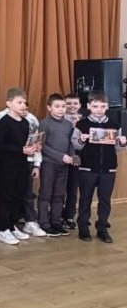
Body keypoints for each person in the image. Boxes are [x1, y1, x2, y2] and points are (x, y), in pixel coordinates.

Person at [72, 91, 127, 243]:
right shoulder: (82, 124)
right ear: (89, 106)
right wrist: (81, 140)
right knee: (85, 199)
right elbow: (75, 145)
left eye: (103, 106)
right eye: (95, 106)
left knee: (105, 200)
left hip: (108, 169)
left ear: (107, 106)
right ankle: (83, 228)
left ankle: (102, 228)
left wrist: (122, 142)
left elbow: (117, 148)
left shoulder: (114, 124)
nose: (99, 109)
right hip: (87, 168)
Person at [0, 88, 34, 245]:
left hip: (22, 165)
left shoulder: (25, 122)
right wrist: (20, 149)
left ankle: (11, 225)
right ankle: (1, 229)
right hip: (7, 166)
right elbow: (0, 145)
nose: (23, 105)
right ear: (9, 103)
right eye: (19, 102)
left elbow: (24, 143)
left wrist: (31, 147)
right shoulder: (4, 122)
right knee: (6, 196)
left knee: (18, 195)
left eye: (24, 102)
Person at [37, 94, 74, 237]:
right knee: (46, 193)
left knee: (59, 194)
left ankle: (56, 221)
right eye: (57, 106)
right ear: (49, 107)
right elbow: (42, 145)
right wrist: (60, 156)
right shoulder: (44, 123)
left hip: (64, 165)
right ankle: (44, 222)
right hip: (49, 164)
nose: (61, 109)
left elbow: (70, 143)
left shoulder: (68, 124)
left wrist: (71, 156)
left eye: (63, 106)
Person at [61, 92, 83, 229]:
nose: (72, 106)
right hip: (60, 156)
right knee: (58, 188)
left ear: (80, 105)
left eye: (75, 103)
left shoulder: (84, 121)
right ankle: (57, 215)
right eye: (68, 103)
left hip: (77, 157)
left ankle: (69, 216)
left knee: (72, 188)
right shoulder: (59, 118)